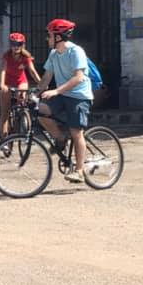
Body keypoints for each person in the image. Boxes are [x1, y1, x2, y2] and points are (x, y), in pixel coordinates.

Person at [36, 18, 94, 184]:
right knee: (41, 111)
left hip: (79, 96)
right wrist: (35, 92)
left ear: (58, 37)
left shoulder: (76, 51)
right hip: (63, 94)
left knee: (76, 132)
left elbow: (78, 77)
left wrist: (56, 91)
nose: (47, 38)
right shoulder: (53, 54)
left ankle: (79, 171)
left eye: (49, 35)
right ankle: (60, 138)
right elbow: (47, 77)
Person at [0, 32, 41, 138]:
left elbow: (32, 71)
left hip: (21, 81)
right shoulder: (7, 56)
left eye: (19, 44)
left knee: (22, 97)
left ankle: (23, 118)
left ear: (23, 45)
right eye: (13, 44)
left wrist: (41, 84)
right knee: (5, 112)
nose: (16, 47)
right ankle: (4, 138)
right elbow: (3, 71)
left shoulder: (26, 57)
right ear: (10, 45)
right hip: (8, 83)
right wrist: (2, 85)